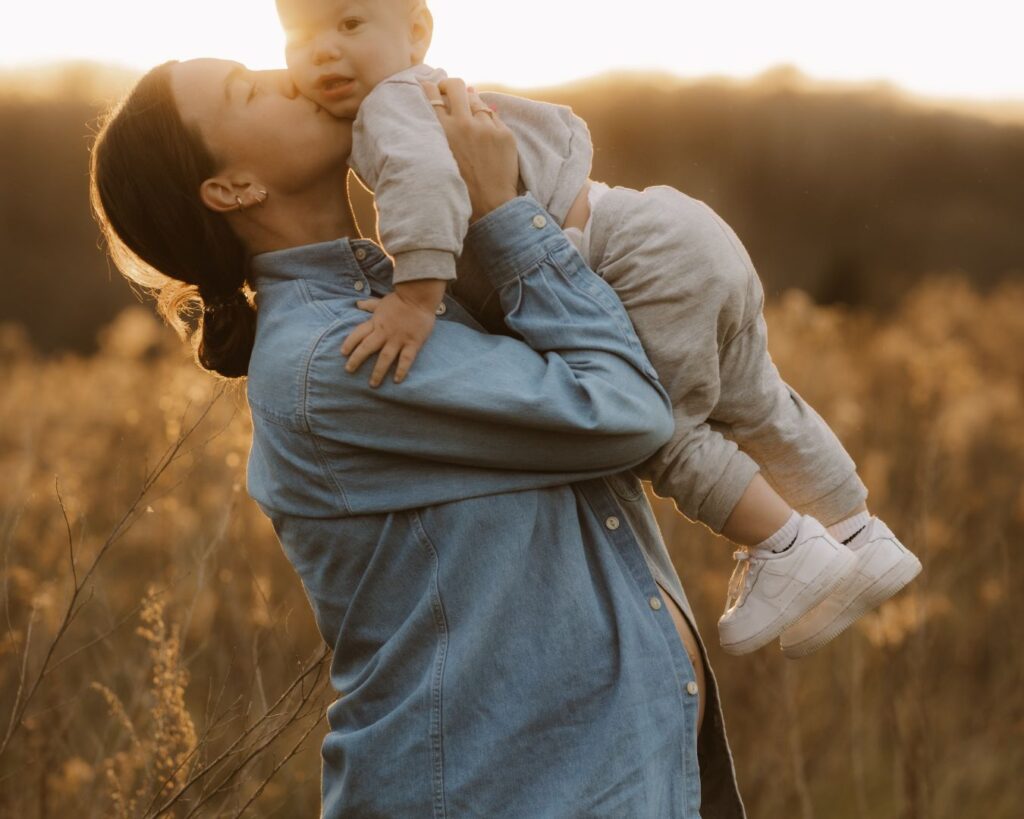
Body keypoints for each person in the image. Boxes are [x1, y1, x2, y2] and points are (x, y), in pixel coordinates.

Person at [90, 58, 746, 817]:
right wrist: (502, 213)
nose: (289, 74)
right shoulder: (340, 355)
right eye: (248, 90)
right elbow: (625, 409)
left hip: (605, 781)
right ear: (234, 189)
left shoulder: (401, 292)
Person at [277, 0, 922, 657]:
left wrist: (414, 300)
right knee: (756, 398)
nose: (322, 50)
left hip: (631, 264)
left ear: (417, 33)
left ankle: (782, 544)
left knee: (658, 427)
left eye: (349, 25)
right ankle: (859, 535)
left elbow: (424, 186)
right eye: (297, 36)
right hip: (674, 227)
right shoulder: (436, 89)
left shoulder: (391, 106)